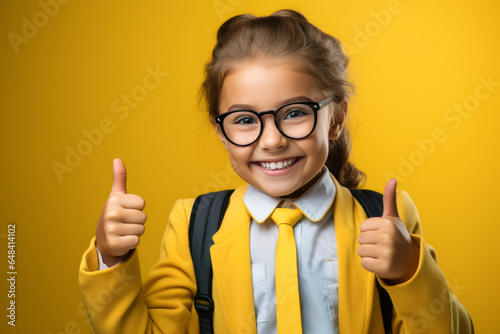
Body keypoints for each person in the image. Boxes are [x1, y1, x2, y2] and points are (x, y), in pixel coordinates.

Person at [79, 9, 474, 333]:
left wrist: (408, 273)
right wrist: (111, 258)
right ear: (220, 130)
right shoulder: (192, 225)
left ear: (335, 119)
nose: (272, 141)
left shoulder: (388, 217)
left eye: (295, 113)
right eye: (245, 120)